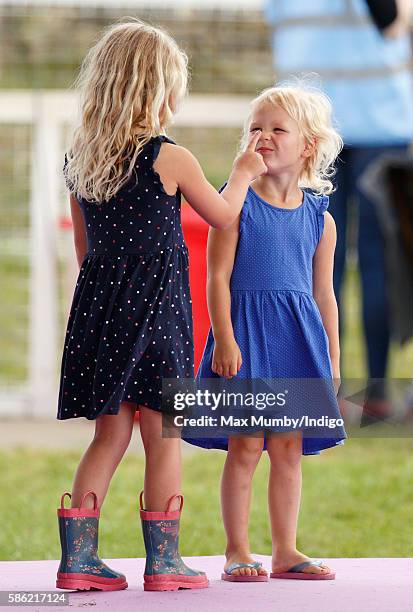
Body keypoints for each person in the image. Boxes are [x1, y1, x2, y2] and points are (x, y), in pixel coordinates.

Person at [55, 18, 266, 593]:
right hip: (157, 314)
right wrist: (243, 173)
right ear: (160, 90)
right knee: (164, 433)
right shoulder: (169, 157)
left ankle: (80, 559)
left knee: (109, 435)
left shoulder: (81, 161)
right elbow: (223, 215)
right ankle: (164, 563)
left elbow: (84, 248)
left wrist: (112, 298)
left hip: (100, 312)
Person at [183, 83, 347, 581]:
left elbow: (324, 296)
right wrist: (225, 340)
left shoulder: (321, 220)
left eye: (279, 129)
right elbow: (216, 278)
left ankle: (286, 551)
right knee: (246, 445)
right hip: (246, 339)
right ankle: (237, 550)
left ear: (308, 146)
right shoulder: (233, 208)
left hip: (298, 343)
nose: (265, 137)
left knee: (288, 448)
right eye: (256, 128)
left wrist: (333, 359)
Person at [264, 0, 413, 420]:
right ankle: (377, 395)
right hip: (380, 123)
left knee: (313, 264)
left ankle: (325, 394)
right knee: (375, 260)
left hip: (306, 126)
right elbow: (392, 23)